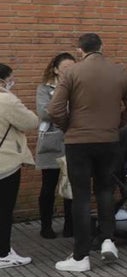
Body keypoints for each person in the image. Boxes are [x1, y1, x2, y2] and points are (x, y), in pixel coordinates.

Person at [48, 33, 127, 273]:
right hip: (109, 140)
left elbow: (54, 109)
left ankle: (81, 256)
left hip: (78, 142)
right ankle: (107, 240)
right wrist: (115, 124)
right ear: (102, 47)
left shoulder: (72, 72)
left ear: (80, 51)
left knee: (81, 197)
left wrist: (68, 127)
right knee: (104, 191)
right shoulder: (120, 71)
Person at [0, 63, 41, 269]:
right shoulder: (6, 100)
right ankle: (3, 253)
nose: (12, 83)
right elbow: (31, 122)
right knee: (4, 209)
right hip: (5, 162)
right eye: (10, 79)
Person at [35, 52, 76, 239]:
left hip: (73, 141)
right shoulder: (44, 88)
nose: (69, 71)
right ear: (56, 70)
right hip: (51, 142)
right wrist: (67, 112)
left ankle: (70, 225)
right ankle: (46, 226)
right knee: (48, 186)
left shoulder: (79, 87)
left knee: (71, 185)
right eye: (66, 68)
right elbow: (44, 113)